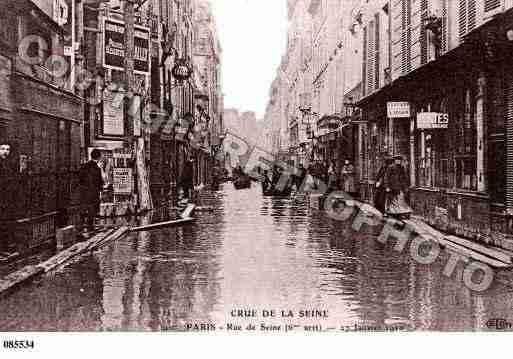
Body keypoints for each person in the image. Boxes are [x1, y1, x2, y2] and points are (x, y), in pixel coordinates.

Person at [79, 149, 104, 233]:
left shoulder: (84, 166)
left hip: (83, 192)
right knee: (91, 211)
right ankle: (90, 228)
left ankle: (80, 228)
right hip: (93, 193)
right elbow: (100, 182)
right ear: (99, 157)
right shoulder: (97, 169)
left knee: (83, 210)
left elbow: (80, 179)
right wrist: (101, 188)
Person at [0, 143, 16, 255]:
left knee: (4, 222)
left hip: (5, 198)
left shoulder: (8, 163)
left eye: (8, 149)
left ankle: (3, 249)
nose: (5, 151)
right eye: (2, 149)